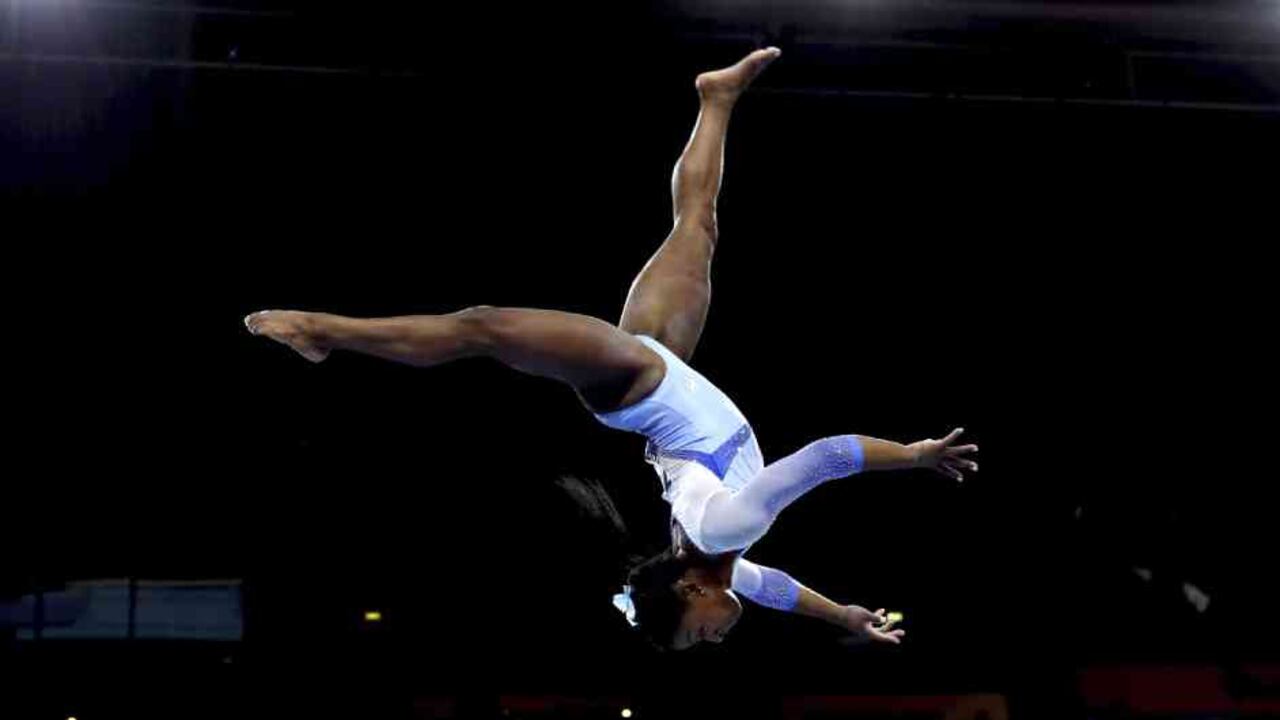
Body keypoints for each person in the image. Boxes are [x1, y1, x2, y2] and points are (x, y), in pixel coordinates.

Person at [245, 47, 978, 650]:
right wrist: (844, 615)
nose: (713, 639)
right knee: (698, 226)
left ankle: (321, 331)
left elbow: (824, 457)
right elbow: (776, 590)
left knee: (485, 327)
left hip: (636, 382)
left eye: (695, 634)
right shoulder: (722, 555)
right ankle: (717, 97)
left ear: (688, 590)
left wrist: (915, 457)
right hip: (662, 364)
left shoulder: (724, 530)